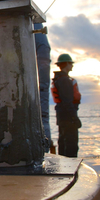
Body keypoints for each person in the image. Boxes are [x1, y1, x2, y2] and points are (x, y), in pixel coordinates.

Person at [51, 53, 82, 157]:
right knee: (71, 144)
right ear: (67, 64)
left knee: (63, 141)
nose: (72, 66)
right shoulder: (64, 80)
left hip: (62, 116)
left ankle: (64, 166)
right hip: (68, 118)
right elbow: (67, 101)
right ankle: (70, 169)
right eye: (71, 64)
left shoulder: (59, 79)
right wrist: (74, 118)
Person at [34, 23, 52, 152]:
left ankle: (43, 152)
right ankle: (43, 153)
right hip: (39, 88)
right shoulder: (37, 28)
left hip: (38, 87)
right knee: (43, 118)